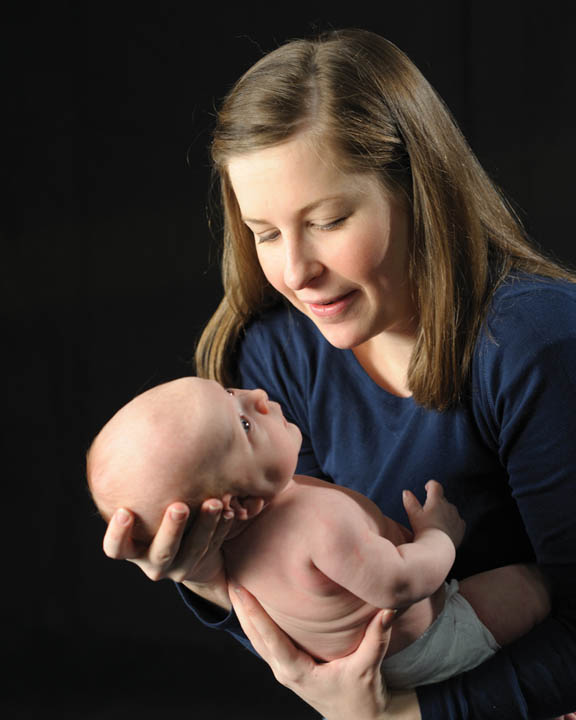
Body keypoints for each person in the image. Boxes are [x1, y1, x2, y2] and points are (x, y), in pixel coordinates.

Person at [100, 28, 576, 720]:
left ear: (417, 190)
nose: (295, 272)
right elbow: (332, 626)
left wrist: (400, 718)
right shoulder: (275, 358)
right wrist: (207, 579)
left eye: (327, 220)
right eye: (265, 233)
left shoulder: (535, 344)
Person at [88, 376, 550, 688]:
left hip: (371, 674)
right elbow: (400, 584)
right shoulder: (314, 523)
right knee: (530, 589)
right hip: (429, 641)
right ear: (240, 504)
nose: (258, 396)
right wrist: (439, 535)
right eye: (245, 424)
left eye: (231, 392)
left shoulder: (236, 546)